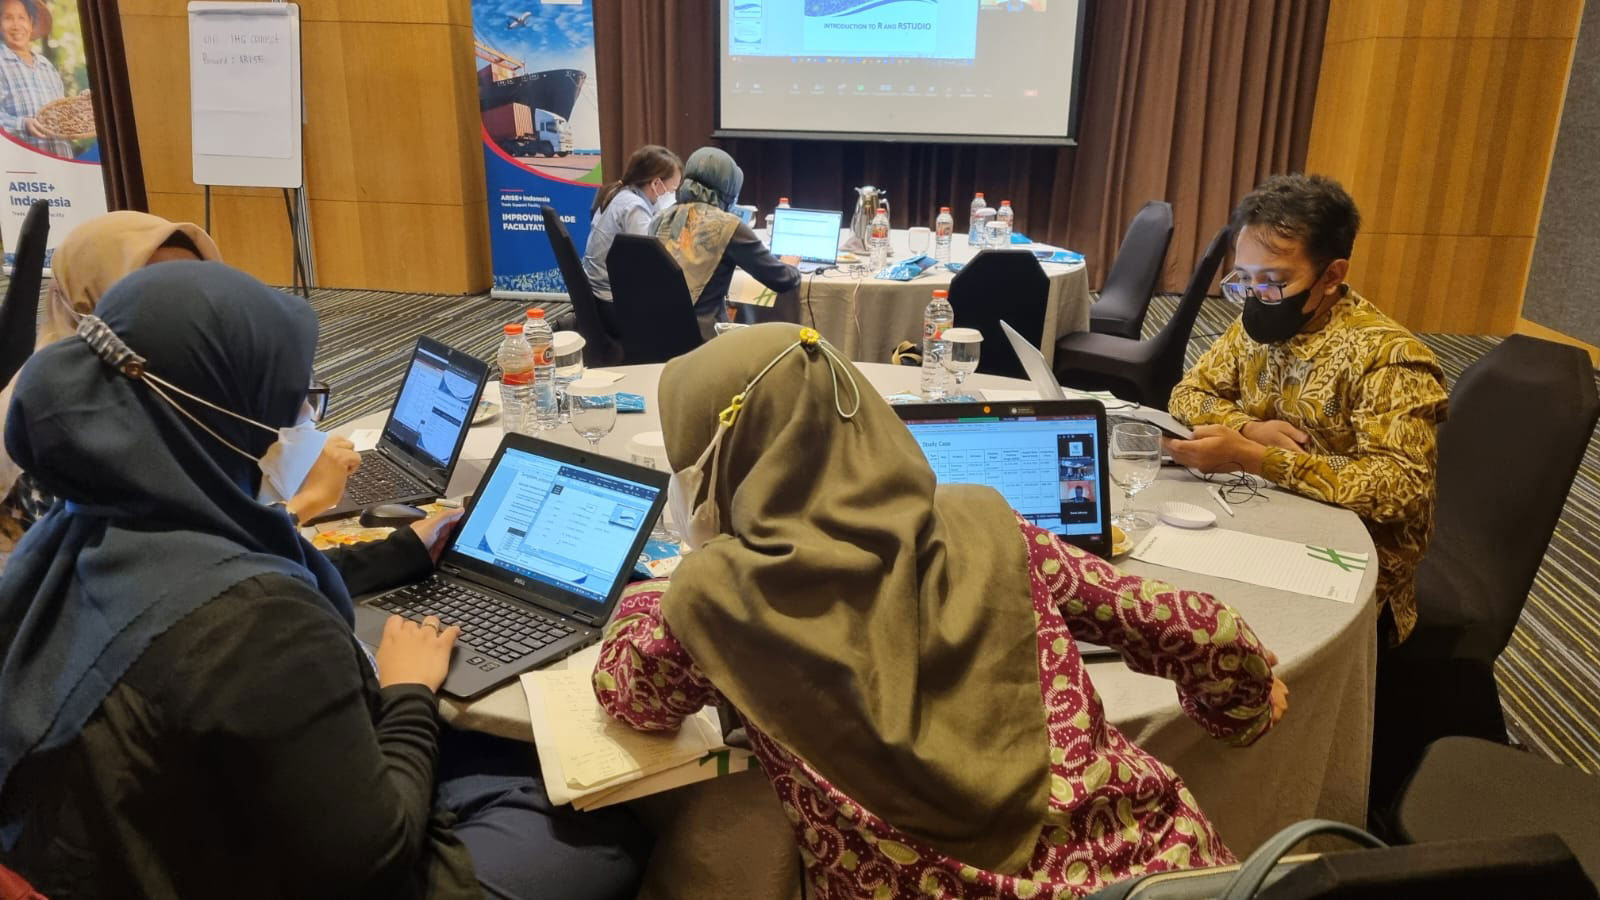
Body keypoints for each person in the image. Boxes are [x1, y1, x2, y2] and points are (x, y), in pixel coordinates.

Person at [0, 262, 649, 898]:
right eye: (293, 404)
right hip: (279, 868)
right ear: (224, 417)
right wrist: (407, 692)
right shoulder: (255, 620)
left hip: (165, 840)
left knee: (491, 762)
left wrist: (403, 552)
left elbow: (229, 586)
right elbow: (373, 863)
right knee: (602, 835)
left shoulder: (73, 531)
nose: (305, 423)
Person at [592, 324, 1288, 898]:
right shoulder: (985, 520)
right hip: (1161, 873)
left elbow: (632, 696)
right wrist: (1243, 704)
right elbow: (1200, 626)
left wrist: (648, 598)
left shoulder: (714, 598)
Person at [1166, 174, 1448, 647]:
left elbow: (1401, 487)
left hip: (1354, 566)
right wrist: (1248, 429)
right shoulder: (1256, 323)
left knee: (1220, 637)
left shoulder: (1388, 357)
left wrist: (1258, 460)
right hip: (1263, 513)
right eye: (1245, 279)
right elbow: (1188, 393)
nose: (1257, 296)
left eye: (1274, 282)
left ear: (1332, 276)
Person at [0, 212, 223, 531]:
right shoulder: (49, 411)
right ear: (88, 297)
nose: (184, 307)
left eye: (195, 286)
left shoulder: (180, 367)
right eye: (156, 292)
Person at [649, 147, 800, 340]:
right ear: (728, 187)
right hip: (704, 339)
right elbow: (781, 280)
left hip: (655, 331)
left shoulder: (660, 218)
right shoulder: (728, 226)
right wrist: (790, 266)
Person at [583, 144, 681, 302]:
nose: (672, 195)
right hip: (610, 297)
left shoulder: (620, 192)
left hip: (597, 288)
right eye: (672, 189)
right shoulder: (634, 207)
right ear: (656, 184)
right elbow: (649, 262)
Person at [0, 0, 68, 157]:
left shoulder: (47, 66)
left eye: (22, 18)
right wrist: (22, 124)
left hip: (62, 162)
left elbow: (63, 113)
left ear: (31, 23)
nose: (16, 25)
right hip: (21, 164)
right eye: (8, 18)